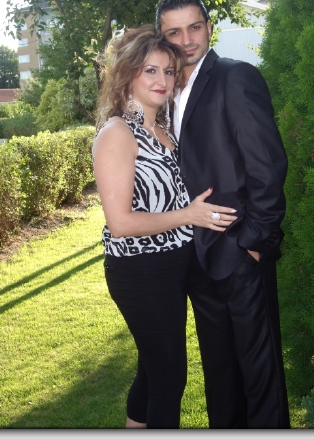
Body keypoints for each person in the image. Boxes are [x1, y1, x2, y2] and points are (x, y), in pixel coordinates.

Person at [156, 0, 290, 429]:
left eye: (195, 27)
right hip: (194, 259)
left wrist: (254, 243)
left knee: (260, 376)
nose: (186, 40)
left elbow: (267, 167)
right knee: (220, 375)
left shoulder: (236, 77)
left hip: (239, 252)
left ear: (209, 28)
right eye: (174, 33)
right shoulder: (164, 93)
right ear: (162, 38)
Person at [92, 24, 237, 429]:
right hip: (141, 271)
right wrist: (189, 215)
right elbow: (120, 223)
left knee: (153, 368)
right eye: (150, 70)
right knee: (169, 376)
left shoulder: (163, 127)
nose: (162, 80)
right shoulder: (119, 133)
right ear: (128, 74)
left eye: (168, 71)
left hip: (174, 266)